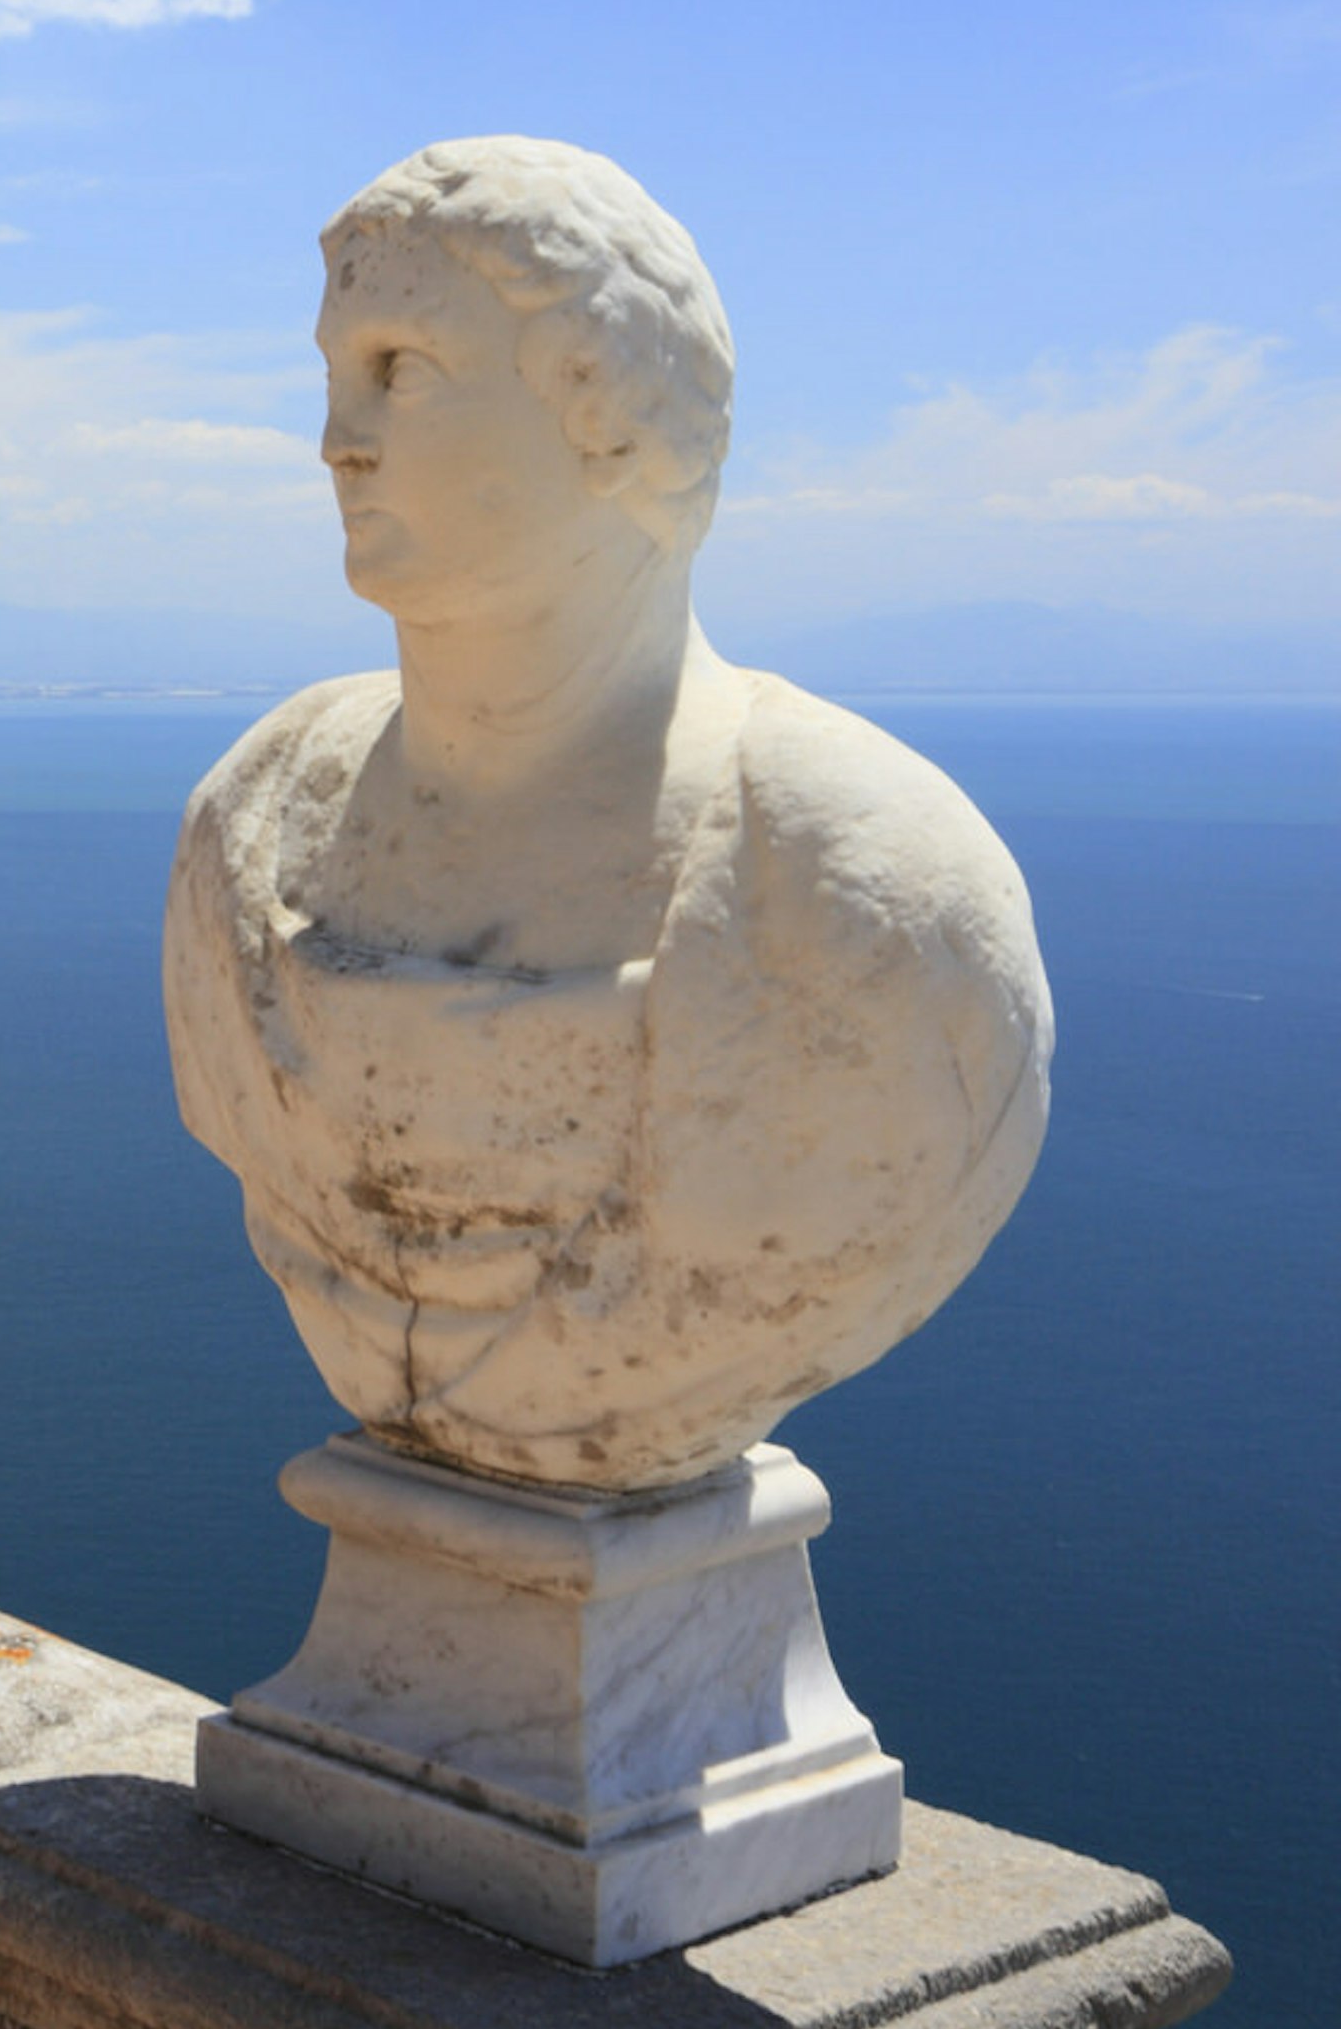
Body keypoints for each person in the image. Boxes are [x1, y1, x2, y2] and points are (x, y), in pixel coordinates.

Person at [161, 136, 1050, 1491]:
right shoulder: (253, 821)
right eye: (337, 377)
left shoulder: (868, 892)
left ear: (613, 410)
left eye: (402, 367)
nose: (336, 440)